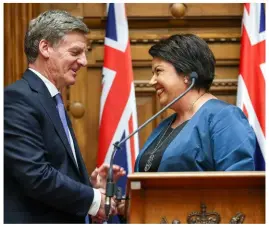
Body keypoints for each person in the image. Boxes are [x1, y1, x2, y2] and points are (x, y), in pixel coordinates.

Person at [4, 10, 125, 224]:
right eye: (76, 52)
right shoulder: (16, 99)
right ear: (45, 48)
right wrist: (95, 200)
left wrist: (89, 187)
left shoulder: (51, 99)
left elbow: (55, 168)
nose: (85, 61)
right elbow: (36, 175)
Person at [134, 34, 256, 172]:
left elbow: (238, 184)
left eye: (158, 71)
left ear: (186, 74)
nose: (152, 81)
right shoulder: (164, 125)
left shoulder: (225, 118)